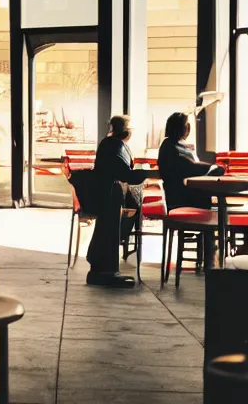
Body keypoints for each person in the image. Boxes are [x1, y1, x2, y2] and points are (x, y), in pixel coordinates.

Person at [85, 115, 148, 288]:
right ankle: (105, 271)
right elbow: (125, 174)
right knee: (109, 230)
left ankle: (103, 269)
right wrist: (147, 173)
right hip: (109, 194)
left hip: (106, 193)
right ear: (127, 131)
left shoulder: (109, 143)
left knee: (107, 230)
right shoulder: (116, 146)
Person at [157, 112, 224, 210]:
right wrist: (213, 167)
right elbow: (190, 166)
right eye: (186, 124)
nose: (189, 127)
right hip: (183, 198)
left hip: (187, 194)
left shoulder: (176, 144)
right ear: (177, 127)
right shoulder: (170, 147)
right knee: (220, 209)